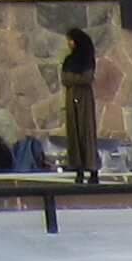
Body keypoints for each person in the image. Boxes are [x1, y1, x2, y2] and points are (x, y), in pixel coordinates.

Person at [57, 28, 103, 186]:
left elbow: (86, 78)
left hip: (84, 98)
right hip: (71, 98)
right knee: (74, 134)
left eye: (70, 40)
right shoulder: (69, 60)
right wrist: (76, 79)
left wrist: (74, 79)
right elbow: (65, 79)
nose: (69, 44)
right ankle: (78, 169)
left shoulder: (87, 59)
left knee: (86, 132)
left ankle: (93, 169)